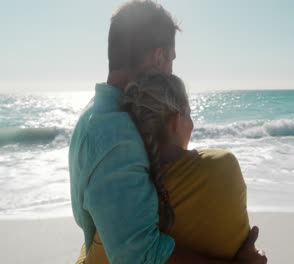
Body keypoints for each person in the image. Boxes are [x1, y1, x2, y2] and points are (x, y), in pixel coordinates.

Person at [68, 1, 267, 263]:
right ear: (159, 57)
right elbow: (138, 255)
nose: (172, 70)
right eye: (172, 60)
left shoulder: (101, 112)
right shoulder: (114, 134)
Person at [85, 72, 253, 263]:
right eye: (188, 114)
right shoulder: (222, 168)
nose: (192, 124)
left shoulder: (115, 200)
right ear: (175, 122)